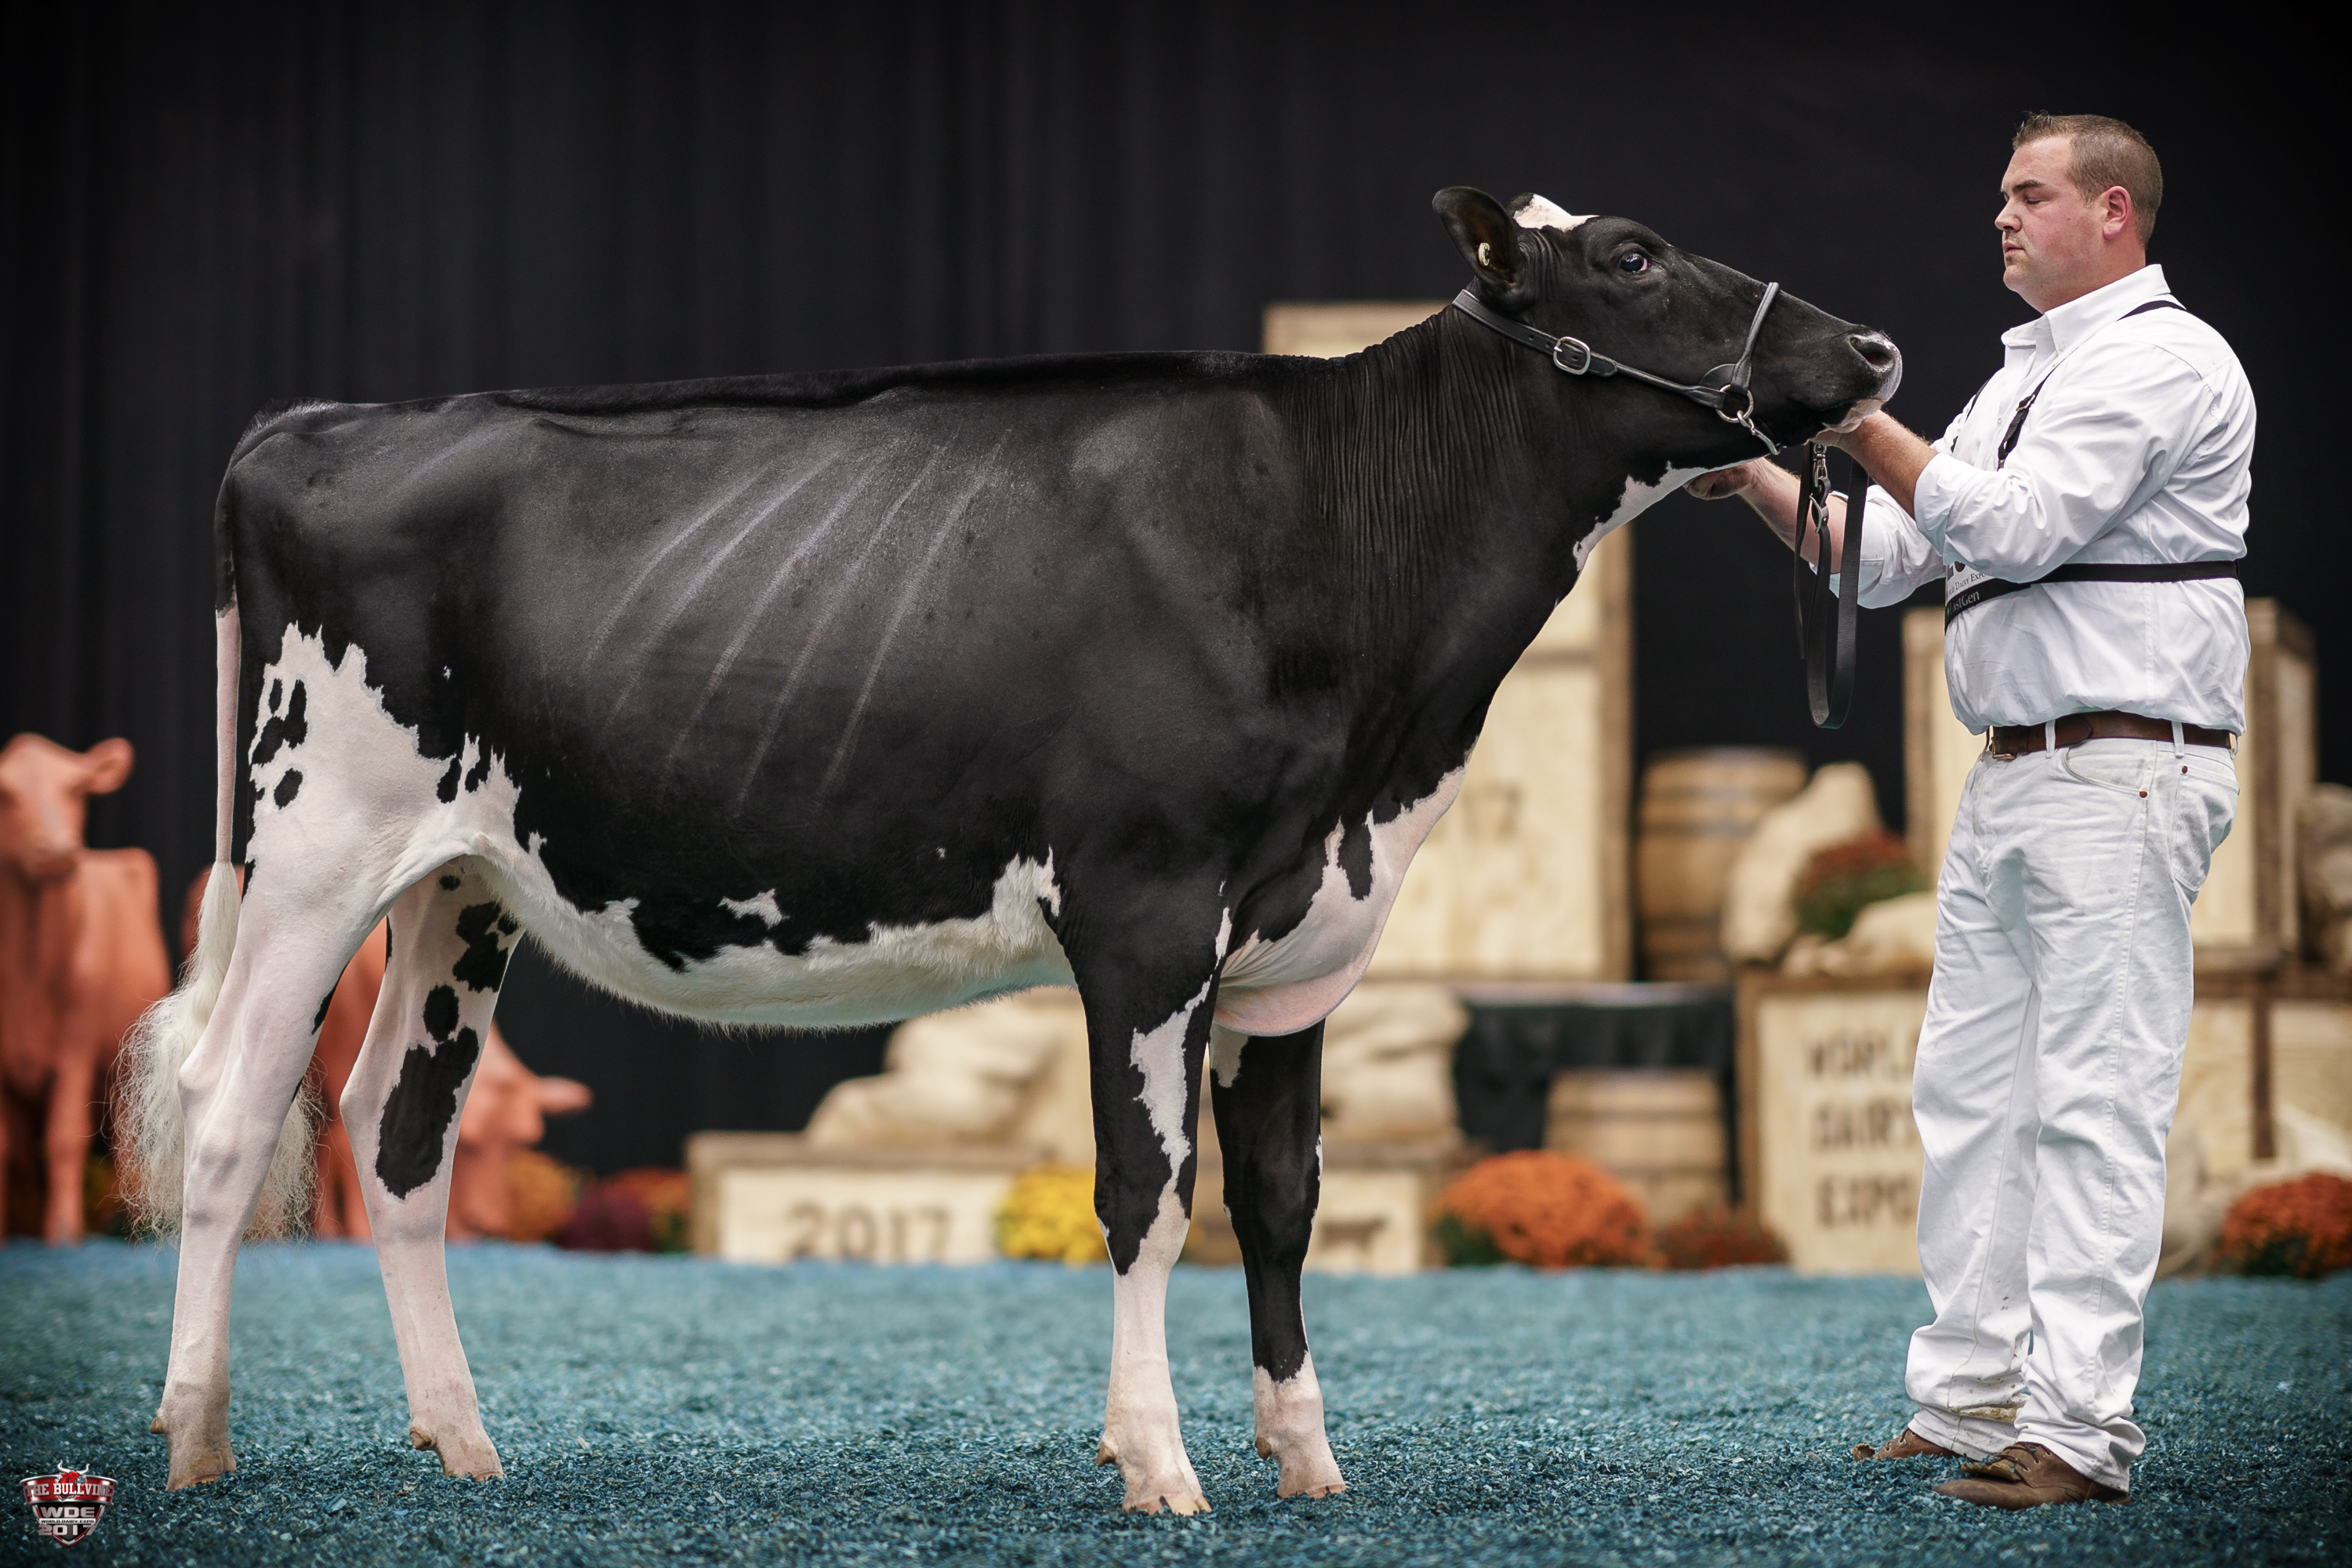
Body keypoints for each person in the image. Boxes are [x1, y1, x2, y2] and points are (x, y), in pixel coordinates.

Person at [1688, 112, 2252, 1510]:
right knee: (1971, 1098)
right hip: (2013, 773)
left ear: (2114, 213)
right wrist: (1752, 470)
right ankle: (1967, 1402)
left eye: (2031, 194)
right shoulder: (2023, 378)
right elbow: (1879, 559)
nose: (2002, 215)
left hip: (2122, 767)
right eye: (2004, 194)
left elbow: (2012, 531)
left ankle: (2079, 1431)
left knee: (2093, 1104)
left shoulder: (2165, 359)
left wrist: (1852, 415)